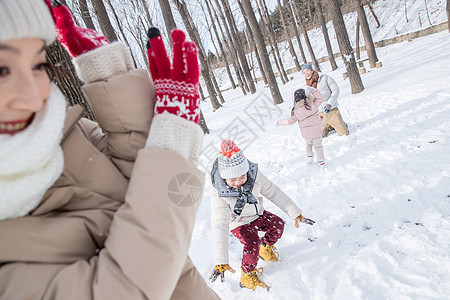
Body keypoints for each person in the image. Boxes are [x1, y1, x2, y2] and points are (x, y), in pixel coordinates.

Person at [0, 0, 219, 299]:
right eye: (2, 70)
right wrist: (173, 148)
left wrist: (110, 75)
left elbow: (135, 187)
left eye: (37, 65)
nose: (34, 95)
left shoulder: (57, 131)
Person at [208, 140, 315, 291]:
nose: (238, 182)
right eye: (232, 180)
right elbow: (219, 224)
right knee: (252, 244)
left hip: (257, 214)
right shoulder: (218, 192)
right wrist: (221, 260)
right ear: (224, 178)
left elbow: (273, 191)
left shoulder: (254, 175)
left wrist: (295, 212)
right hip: (239, 223)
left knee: (278, 225)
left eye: (242, 177)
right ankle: (247, 274)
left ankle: (266, 248)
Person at [277, 87, 326, 166]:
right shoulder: (312, 104)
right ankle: (320, 160)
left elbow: (290, 121)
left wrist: (280, 122)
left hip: (306, 133)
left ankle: (309, 156)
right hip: (316, 130)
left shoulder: (296, 111)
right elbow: (320, 98)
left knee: (308, 144)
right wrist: (313, 91)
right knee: (318, 146)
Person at [302, 63, 349, 138]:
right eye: (304, 72)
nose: (306, 73)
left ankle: (340, 124)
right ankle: (330, 126)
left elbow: (335, 90)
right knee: (319, 136)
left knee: (344, 133)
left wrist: (329, 104)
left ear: (312, 70)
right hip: (320, 114)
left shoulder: (325, 78)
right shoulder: (306, 86)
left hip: (332, 111)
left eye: (307, 71)